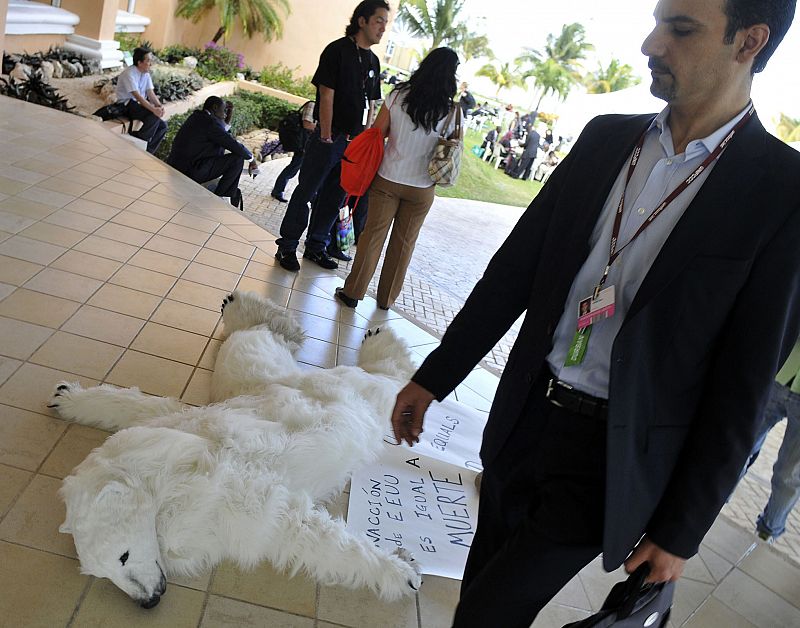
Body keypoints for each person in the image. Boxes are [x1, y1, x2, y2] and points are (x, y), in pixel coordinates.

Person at [389, 1, 800, 625]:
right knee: (482, 585)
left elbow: (744, 383)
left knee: (488, 611)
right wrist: (435, 375)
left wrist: (682, 529)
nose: (650, 44)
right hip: (524, 413)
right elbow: (514, 272)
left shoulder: (779, 189)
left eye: (681, 29)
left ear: (750, 42)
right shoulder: (608, 137)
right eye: (658, 21)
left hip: (612, 458)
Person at [334, 47, 460, 311]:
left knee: (372, 238)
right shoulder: (452, 112)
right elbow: (450, 149)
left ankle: (353, 292)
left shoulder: (398, 95)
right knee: (403, 246)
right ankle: (386, 300)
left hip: (387, 179)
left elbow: (377, 133)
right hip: (423, 187)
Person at [274, 0, 387, 272]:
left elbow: (372, 104)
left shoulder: (373, 60)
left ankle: (316, 246)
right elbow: (327, 94)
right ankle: (287, 246)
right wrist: (325, 135)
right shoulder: (337, 50)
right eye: (379, 21)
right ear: (362, 21)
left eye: (385, 22)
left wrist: (365, 140)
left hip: (353, 145)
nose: (383, 28)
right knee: (307, 191)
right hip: (330, 138)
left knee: (335, 197)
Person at [746, 335, 800, 542]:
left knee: (789, 474)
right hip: (778, 373)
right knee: (742, 448)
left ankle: (768, 531)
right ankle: (715, 502)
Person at [166, 96, 257, 204]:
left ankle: (223, 196)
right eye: (224, 110)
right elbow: (231, 143)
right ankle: (221, 198)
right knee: (237, 159)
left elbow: (222, 133)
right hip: (191, 171)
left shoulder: (197, 117)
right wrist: (252, 160)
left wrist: (229, 114)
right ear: (214, 107)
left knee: (227, 153)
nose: (225, 113)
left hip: (178, 166)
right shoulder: (209, 124)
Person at [115, 47, 167, 154]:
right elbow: (138, 97)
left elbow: (150, 93)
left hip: (137, 105)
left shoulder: (145, 73)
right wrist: (153, 110)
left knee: (163, 126)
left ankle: (148, 151)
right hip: (126, 105)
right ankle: (140, 141)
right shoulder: (129, 74)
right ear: (139, 62)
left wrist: (159, 105)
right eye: (148, 60)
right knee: (153, 116)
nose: (151, 63)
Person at [270, 100, 317, 203]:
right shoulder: (312, 105)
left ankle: (311, 197)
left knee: (300, 168)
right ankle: (278, 190)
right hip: (304, 142)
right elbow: (306, 124)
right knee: (294, 167)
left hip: (308, 142)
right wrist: (322, 129)